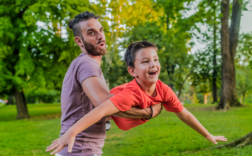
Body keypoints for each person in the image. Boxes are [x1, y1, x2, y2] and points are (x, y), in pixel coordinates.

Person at [46, 41, 228, 155]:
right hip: (116, 102)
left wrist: (207, 134)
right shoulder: (129, 95)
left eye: (155, 59)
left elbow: (184, 114)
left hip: (130, 104)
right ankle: (105, 119)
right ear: (132, 71)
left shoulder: (164, 90)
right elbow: (101, 109)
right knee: (105, 111)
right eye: (145, 61)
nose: (153, 64)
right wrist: (72, 132)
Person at [54, 11, 162, 156]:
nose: (100, 36)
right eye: (91, 33)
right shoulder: (87, 64)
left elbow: (99, 109)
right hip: (80, 150)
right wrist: (148, 112)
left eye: (101, 30)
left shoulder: (87, 65)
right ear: (79, 41)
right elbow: (104, 103)